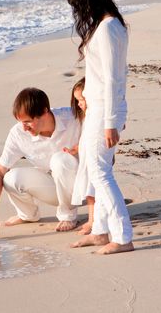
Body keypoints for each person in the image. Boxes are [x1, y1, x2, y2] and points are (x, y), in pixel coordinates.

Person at [67, 0, 134, 255]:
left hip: (104, 110)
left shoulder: (107, 28)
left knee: (100, 172)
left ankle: (122, 236)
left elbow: (112, 78)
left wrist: (110, 122)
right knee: (96, 171)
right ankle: (100, 231)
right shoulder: (112, 24)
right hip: (100, 107)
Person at [0, 87, 81, 244]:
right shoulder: (18, 134)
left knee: (60, 159)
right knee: (9, 177)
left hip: (82, 186)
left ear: (44, 111)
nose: (24, 128)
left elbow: (104, 125)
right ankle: (27, 215)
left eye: (27, 121)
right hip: (55, 188)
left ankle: (69, 216)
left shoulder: (74, 118)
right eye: (21, 122)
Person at [66, 78, 96, 235]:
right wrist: (76, 149)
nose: (79, 104)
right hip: (86, 158)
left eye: (82, 100)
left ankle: (93, 221)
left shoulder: (94, 116)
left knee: (92, 191)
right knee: (90, 192)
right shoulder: (86, 117)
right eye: (77, 100)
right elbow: (85, 138)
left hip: (93, 159)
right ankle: (94, 219)